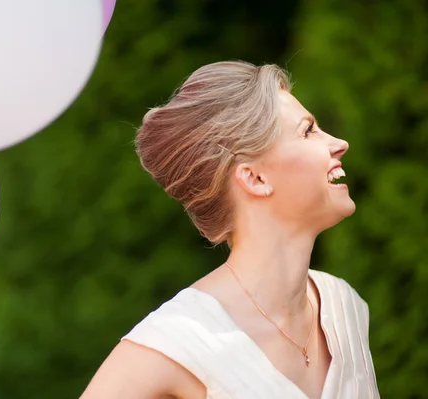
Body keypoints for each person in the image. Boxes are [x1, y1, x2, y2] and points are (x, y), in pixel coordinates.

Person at [79, 61, 379, 399]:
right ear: (255, 178)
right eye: (308, 131)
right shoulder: (177, 342)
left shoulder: (345, 308)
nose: (340, 143)